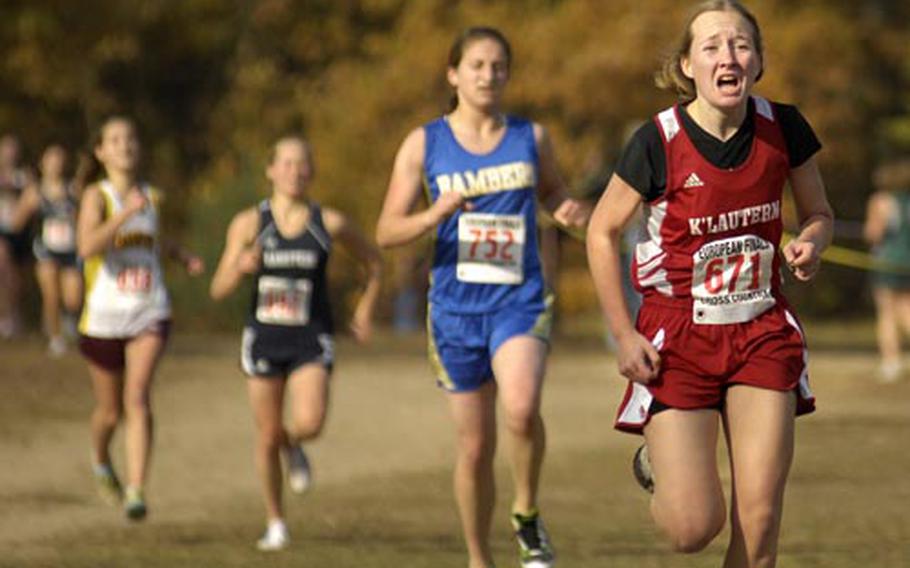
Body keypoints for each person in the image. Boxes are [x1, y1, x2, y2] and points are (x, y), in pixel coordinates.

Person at [586, 2, 834, 566]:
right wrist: (623, 334)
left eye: (742, 44)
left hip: (761, 329)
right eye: (713, 46)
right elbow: (601, 232)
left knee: (761, 521)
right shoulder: (657, 140)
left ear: (759, 61)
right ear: (687, 66)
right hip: (679, 337)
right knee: (693, 528)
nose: (729, 56)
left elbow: (820, 212)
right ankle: (662, 471)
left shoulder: (784, 127)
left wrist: (811, 243)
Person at [376, 27, 588, 568]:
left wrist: (566, 208)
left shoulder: (531, 138)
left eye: (498, 66)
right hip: (454, 309)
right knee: (474, 448)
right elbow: (386, 230)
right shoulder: (424, 143)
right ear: (454, 74)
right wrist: (433, 214)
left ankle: (526, 511)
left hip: (519, 299)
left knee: (520, 408)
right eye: (477, 65)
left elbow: (555, 192)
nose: (488, 75)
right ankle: (479, 557)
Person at [210, 135, 382, 551]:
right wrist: (240, 266)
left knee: (310, 422)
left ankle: (297, 446)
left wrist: (364, 310)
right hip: (264, 338)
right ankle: (275, 522)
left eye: (302, 164)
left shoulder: (330, 222)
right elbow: (218, 288)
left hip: (310, 337)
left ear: (312, 172)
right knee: (267, 435)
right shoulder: (249, 224)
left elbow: (374, 261)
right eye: (285, 163)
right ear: (270, 170)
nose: (294, 171)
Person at [76, 116, 204, 521]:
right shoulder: (97, 197)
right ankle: (99, 459)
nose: (125, 145)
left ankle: (136, 489)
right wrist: (124, 214)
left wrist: (180, 254)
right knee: (110, 412)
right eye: (115, 140)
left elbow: (153, 238)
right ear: (101, 152)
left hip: (148, 309)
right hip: (102, 317)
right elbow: (86, 246)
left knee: (137, 399)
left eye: (130, 138)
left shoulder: (153, 196)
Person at [11, 144, 82, 356]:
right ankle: (55, 337)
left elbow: (83, 220)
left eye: (59, 159)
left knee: (73, 298)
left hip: (70, 251)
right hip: (45, 251)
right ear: (42, 164)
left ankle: (69, 320)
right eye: (51, 159)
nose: (56, 164)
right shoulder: (35, 192)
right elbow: (17, 222)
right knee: (51, 295)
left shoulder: (73, 189)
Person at [863, 158, 910, 382]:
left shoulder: (881, 200)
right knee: (906, 309)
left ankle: (891, 361)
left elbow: (874, 233)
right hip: (907, 261)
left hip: (887, 261)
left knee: (887, 314)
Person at [0, 133, 34, 338]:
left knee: (18, 279)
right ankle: (6, 316)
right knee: (2, 262)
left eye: (13, 149)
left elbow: (32, 199)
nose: (10, 153)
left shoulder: (25, 175)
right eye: (6, 149)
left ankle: (15, 314)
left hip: (19, 231)